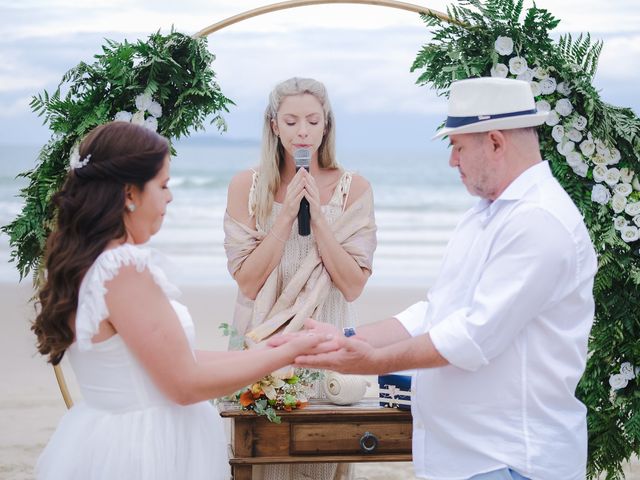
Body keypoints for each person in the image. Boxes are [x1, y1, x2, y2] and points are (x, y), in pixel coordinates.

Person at [275, 77, 598, 480]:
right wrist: (348, 338)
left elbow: (472, 336)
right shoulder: (486, 213)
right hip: (469, 458)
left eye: (457, 146)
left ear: (495, 142)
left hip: (509, 459)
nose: (452, 161)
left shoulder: (538, 220)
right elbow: (435, 312)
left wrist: (371, 362)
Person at [32, 121, 333, 480]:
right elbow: (184, 384)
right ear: (130, 193)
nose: (170, 197)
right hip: (146, 449)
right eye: (163, 185)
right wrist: (286, 355)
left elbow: (171, 359)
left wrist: (266, 351)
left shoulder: (86, 263)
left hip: (104, 435)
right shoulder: (121, 269)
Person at [223, 77, 377, 480]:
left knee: (318, 459)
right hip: (262, 338)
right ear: (274, 125)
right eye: (291, 122)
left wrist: (319, 219)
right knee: (260, 457)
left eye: (312, 120)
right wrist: (287, 214)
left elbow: (353, 285)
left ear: (326, 125)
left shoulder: (354, 188)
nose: (302, 131)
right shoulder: (247, 186)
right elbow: (247, 281)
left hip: (324, 338)